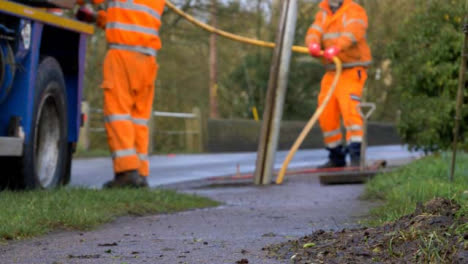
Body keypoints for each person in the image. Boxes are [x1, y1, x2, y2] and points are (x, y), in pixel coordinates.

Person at [76, 0, 166, 187]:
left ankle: (126, 172)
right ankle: (140, 174)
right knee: (138, 119)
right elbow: (127, 19)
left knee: (118, 114)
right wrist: (96, 18)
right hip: (147, 59)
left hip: (122, 56)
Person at [305, 0, 372, 168]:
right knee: (326, 111)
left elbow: (353, 32)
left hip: (351, 68)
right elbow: (314, 30)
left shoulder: (354, 10)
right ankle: (336, 155)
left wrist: (337, 47)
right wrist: (312, 44)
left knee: (351, 110)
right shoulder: (323, 13)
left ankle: (357, 155)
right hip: (332, 70)